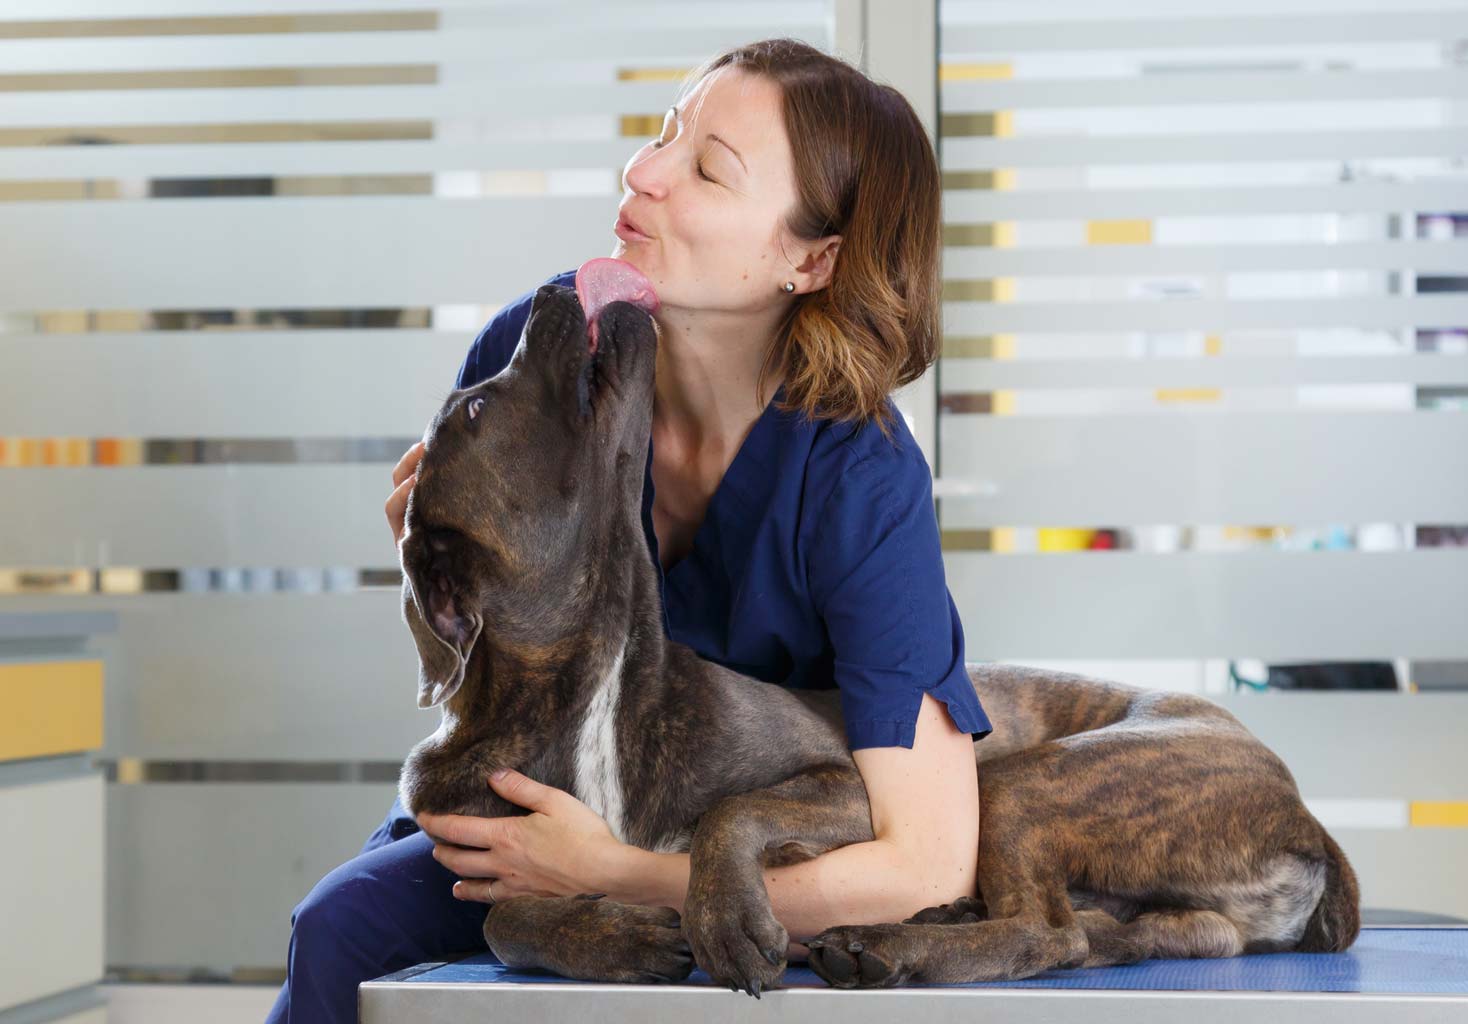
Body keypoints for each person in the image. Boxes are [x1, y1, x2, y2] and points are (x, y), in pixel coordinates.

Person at [264, 37, 992, 1024]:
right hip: (533, 807)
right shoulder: (538, 355)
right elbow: (474, 675)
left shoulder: (859, 475)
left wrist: (621, 871)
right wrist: (432, 551)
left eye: (706, 168)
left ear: (809, 258)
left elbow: (929, 858)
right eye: (663, 135)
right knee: (339, 925)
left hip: (737, 846)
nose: (642, 173)